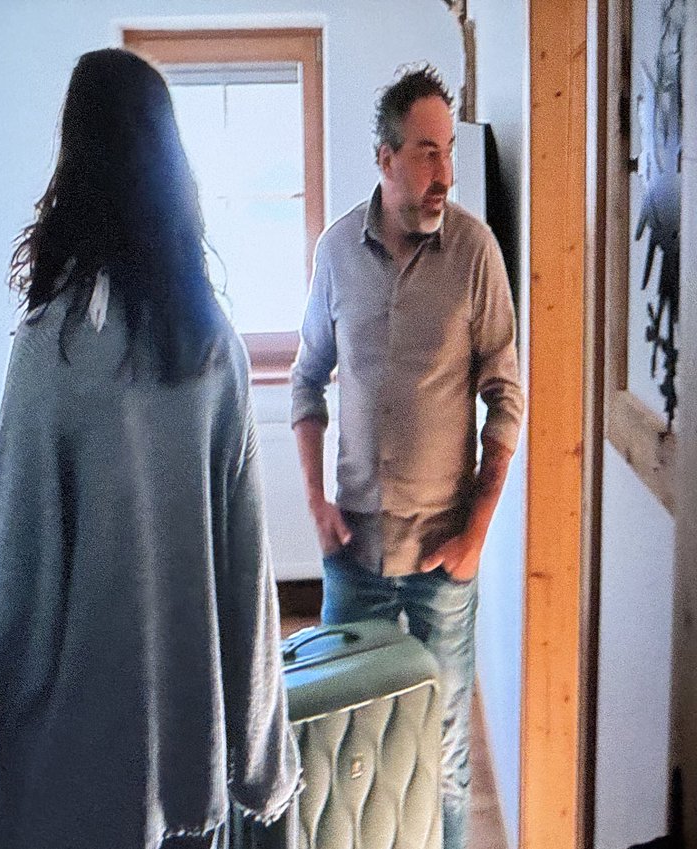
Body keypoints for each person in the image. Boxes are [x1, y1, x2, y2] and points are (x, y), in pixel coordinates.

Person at [0, 48, 299, 849]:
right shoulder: (212, 344)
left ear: (74, 163)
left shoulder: (52, 345)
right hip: (190, 757)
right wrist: (261, 764)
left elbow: (13, 589)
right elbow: (248, 571)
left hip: (78, 773)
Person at [290, 64, 523, 849]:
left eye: (448, 150)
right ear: (385, 158)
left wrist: (477, 531)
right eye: (427, 152)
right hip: (353, 552)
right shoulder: (335, 252)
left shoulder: (475, 251)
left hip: (441, 558)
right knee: (341, 743)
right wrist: (315, 502)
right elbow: (306, 379)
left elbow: (506, 395)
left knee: (446, 759)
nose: (445, 172)